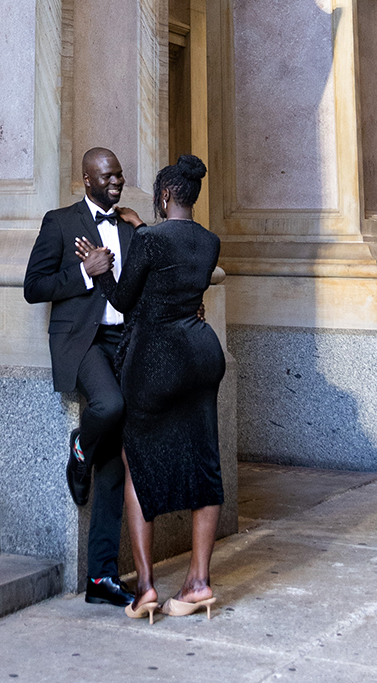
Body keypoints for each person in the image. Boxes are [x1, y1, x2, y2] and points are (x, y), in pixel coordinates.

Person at [76, 152, 224, 623]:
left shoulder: (151, 240)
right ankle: (198, 582)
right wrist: (142, 229)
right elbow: (173, 264)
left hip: (156, 360)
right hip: (203, 354)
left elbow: (124, 298)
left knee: (137, 462)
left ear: (162, 198)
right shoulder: (210, 241)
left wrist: (100, 271)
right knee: (205, 461)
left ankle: (145, 589)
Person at [22, 146, 144, 608]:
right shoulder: (60, 222)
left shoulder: (128, 226)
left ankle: (101, 578)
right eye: (107, 176)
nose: (116, 182)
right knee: (110, 405)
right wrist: (85, 272)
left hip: (124, 342)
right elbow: (34, 287)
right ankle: (79, 445)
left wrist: (142, 229)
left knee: (113, 464)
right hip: (85, 341)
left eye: (119, 175)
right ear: (87, 180)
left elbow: (147, 279)